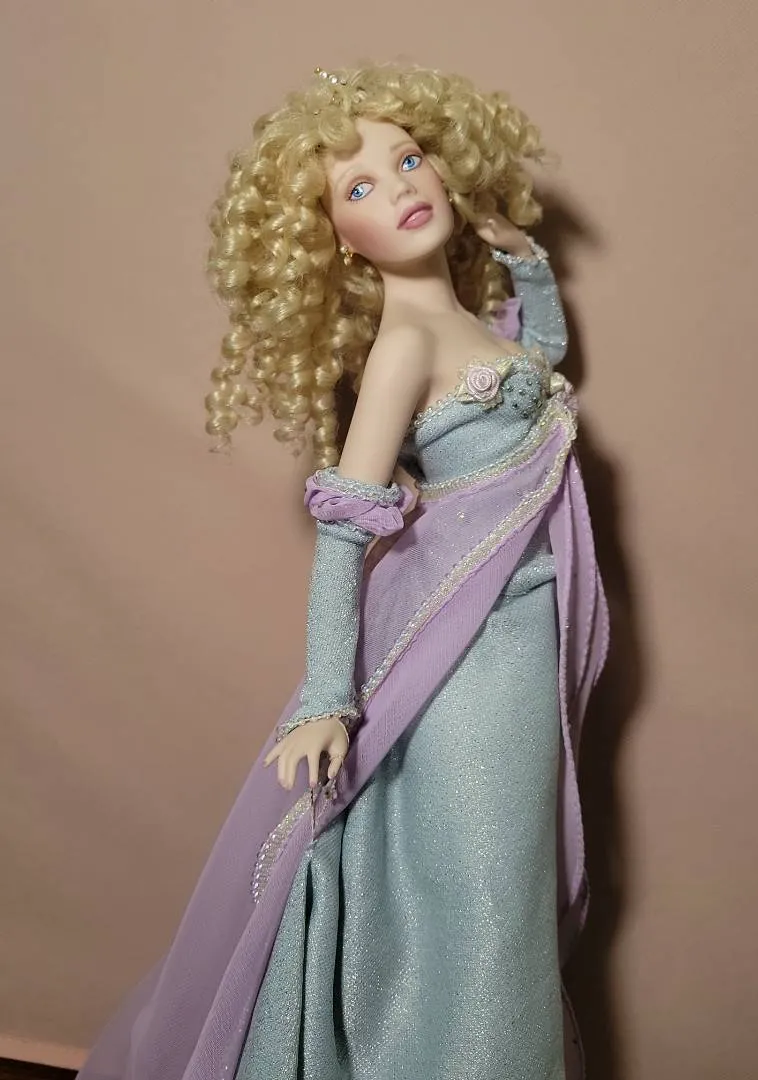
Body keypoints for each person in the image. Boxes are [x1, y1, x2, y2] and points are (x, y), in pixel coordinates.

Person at [77, 62, 608, 1080]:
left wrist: (528, 265)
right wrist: (327, 697)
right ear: (335, 238)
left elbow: (538, 363)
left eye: (408, 161)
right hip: (462, 656)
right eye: (359, 187)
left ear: (446, 167)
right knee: (483, 883)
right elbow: (345, 527)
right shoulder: (403, 348)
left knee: (497, 879)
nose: (399, 188)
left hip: (521, 640)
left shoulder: (466, 322)